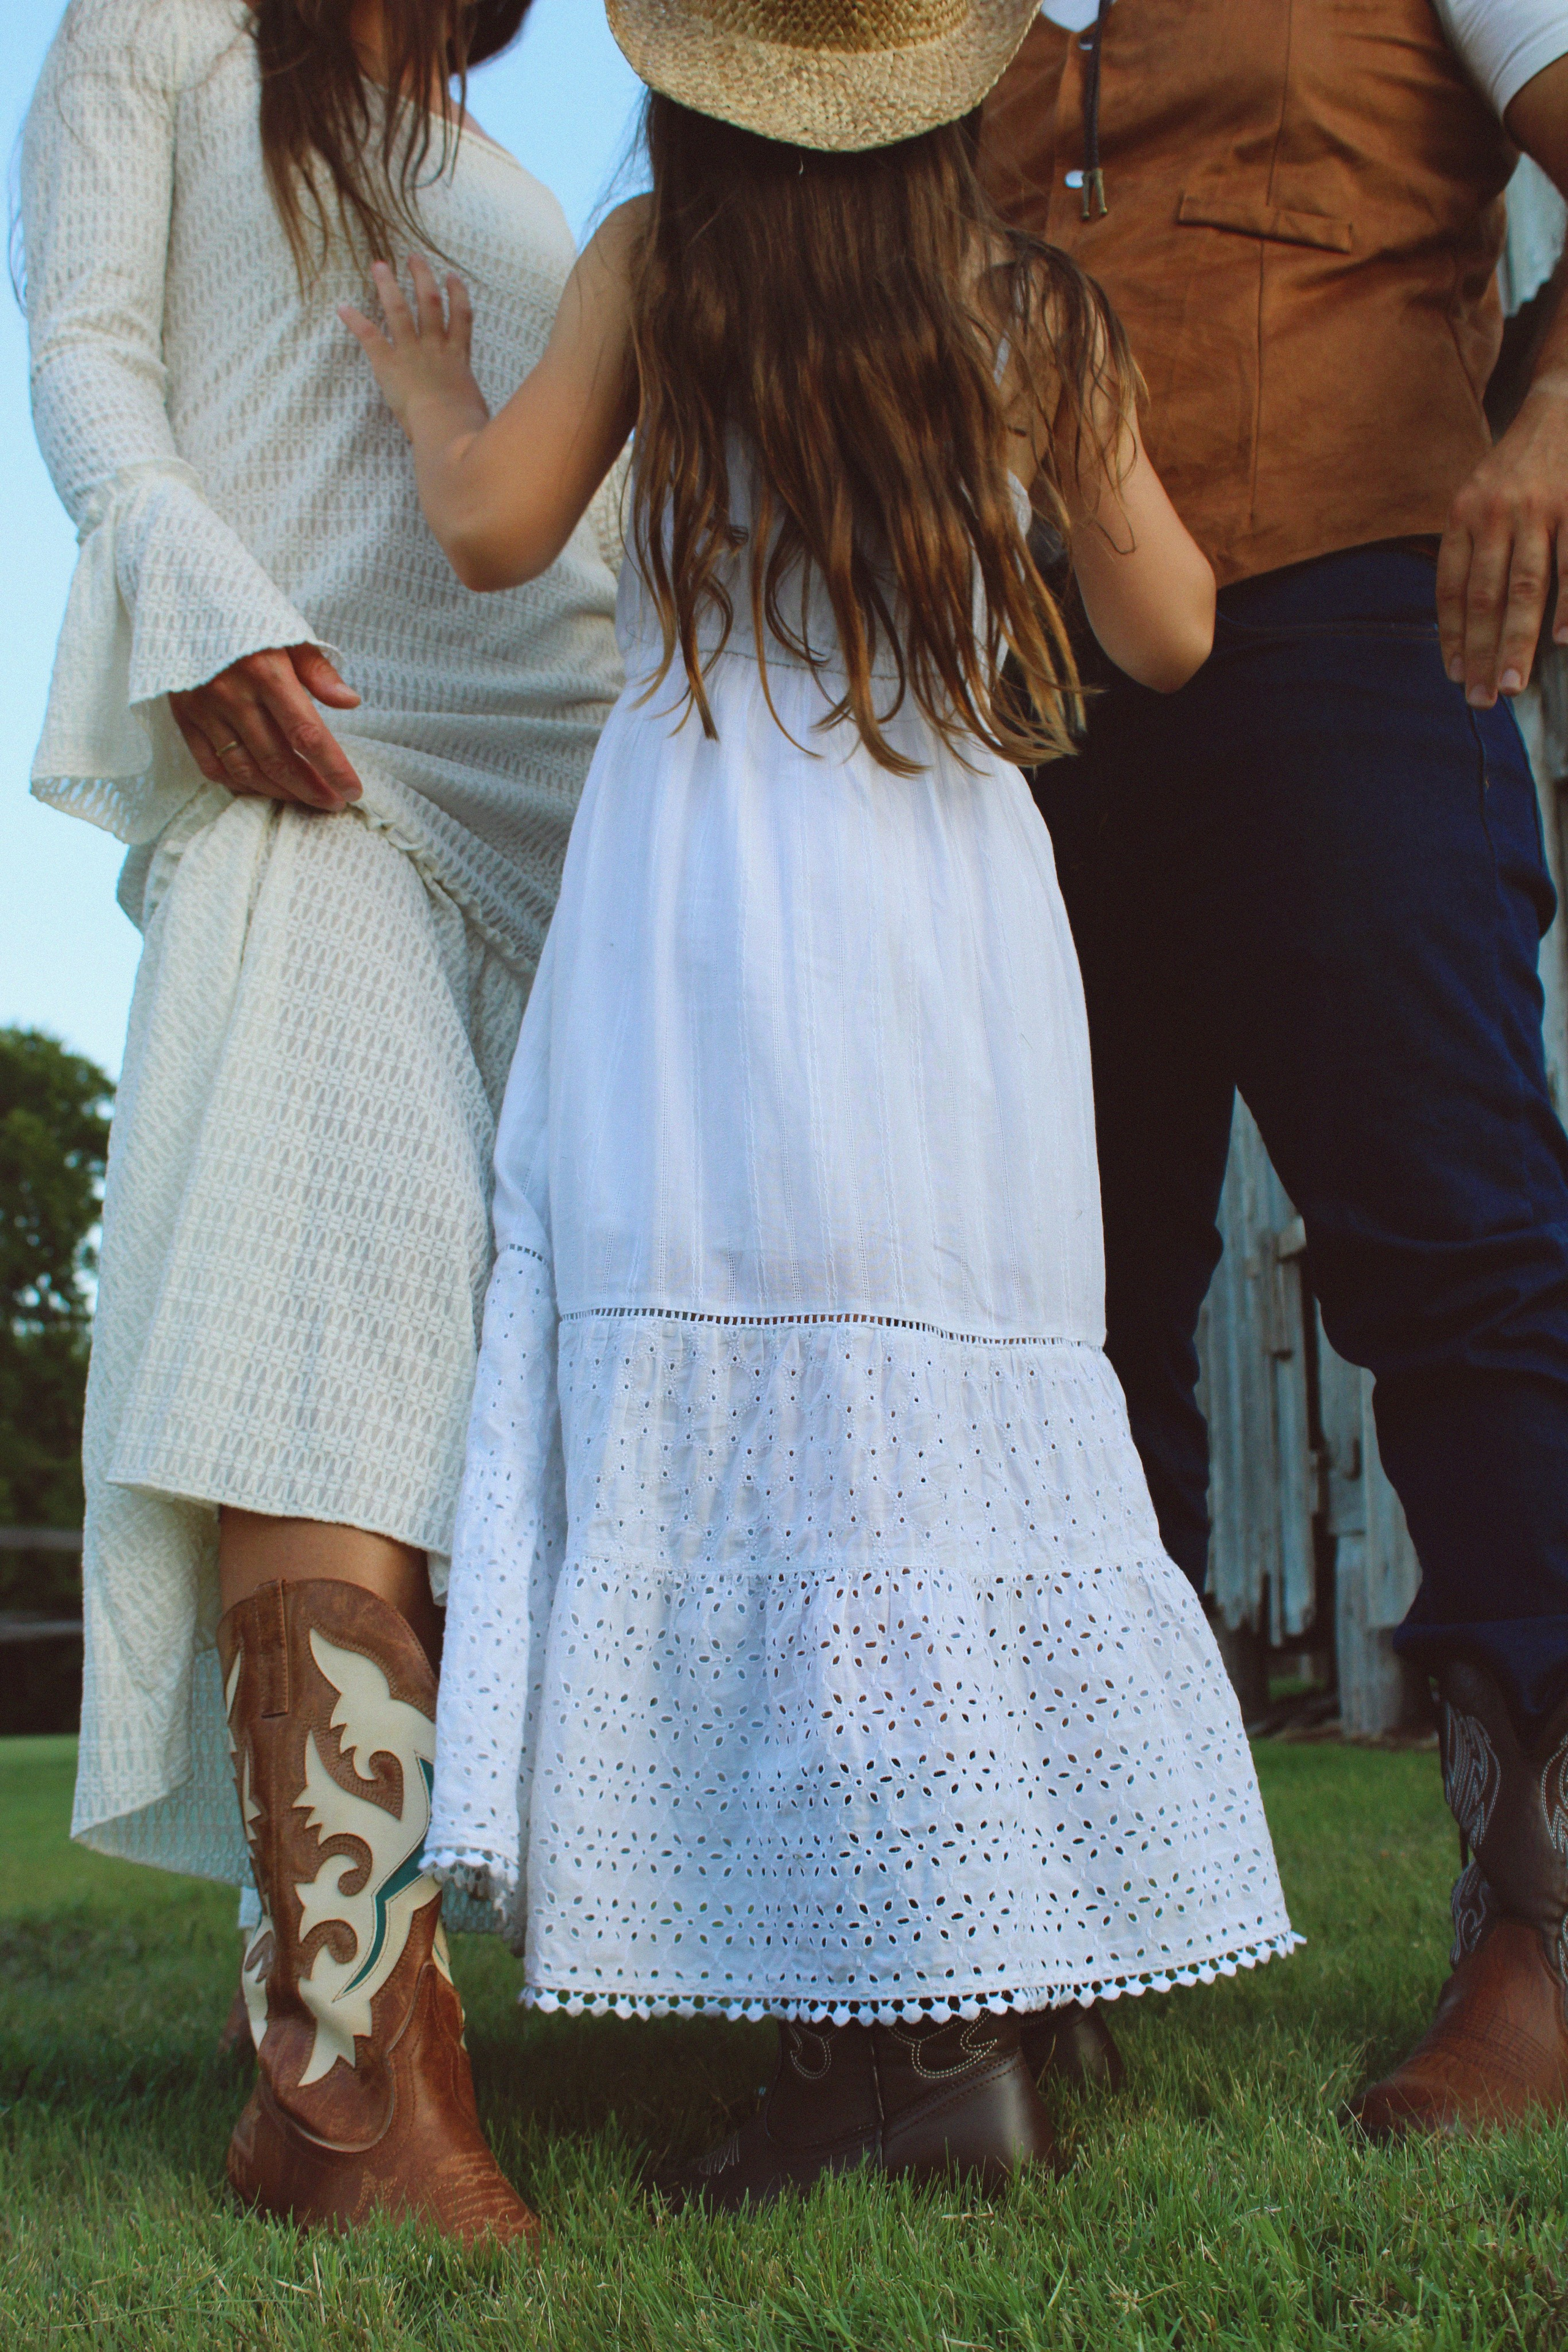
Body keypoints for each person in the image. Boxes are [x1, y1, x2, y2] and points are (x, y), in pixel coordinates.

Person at [342, 0, 1298, 2209]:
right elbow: (1169, 631)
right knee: (939, 1419)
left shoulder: (661, 268)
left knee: (777, 1434)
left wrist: (422, 385)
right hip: (947, 919)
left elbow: (495, 529)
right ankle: (982, 1979)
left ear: (702, 79)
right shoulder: (1029, 309)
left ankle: (907, 2045)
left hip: (709, 898)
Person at [21, 0, 625, 2241]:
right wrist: (187, 596)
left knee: (553, 1419)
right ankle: (350, 2079)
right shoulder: (161, 25)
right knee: (326, 1333)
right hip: (319, 755)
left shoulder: (500, 158)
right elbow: (85, 348)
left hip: (568, 805)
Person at [979, 0, 1568, 2138]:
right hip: (1042, 694)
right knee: (1069, 1315)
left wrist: (1547, 413)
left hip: (1354, 623)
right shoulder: (963, 34)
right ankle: (1090, 1915)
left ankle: (1543, 1933)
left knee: (1459, 1257)